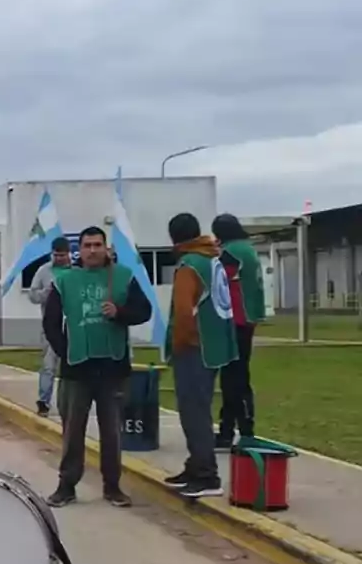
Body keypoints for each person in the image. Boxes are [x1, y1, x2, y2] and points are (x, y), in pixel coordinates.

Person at [43, 226, 152, 508]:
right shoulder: (65, 281)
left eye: (97, 245)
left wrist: (120, 313)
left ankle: (113, 486)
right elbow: (51, 323)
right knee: (72, 431)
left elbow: (145, 311)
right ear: (79, 249)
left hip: (113, 368)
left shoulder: (124, 277)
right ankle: (66, 485)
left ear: (106, 248)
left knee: (112, 431)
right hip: (76, 370)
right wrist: (65, 353)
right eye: (87, 245)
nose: (92, 250)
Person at [163, 213, 238, 498]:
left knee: (194, 412)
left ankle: (207, 475)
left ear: (174, 238)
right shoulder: (211, 259)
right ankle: (195, 466)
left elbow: (183, 313)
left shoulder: (188, 265)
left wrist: (179, 345)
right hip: (214, 345)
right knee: (200, 408)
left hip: (194, 347)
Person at [212, 213, 263, 450]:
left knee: (234, 379)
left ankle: (241, 431)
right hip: (249, 318)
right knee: (237, 377)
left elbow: (214, 273)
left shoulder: (229, 253)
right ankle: (229, 430)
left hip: (235, 319)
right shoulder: (248, 249)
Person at [28, 236, 72, 416]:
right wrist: (46, 293)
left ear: (69, 254)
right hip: (51, 326)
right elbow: (32, 296)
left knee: (71, 366)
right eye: (56, 255)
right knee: (48, 365)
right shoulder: (44, 271)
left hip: (73, 326)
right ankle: (43, 401)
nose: (59, 258)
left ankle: (69, 402)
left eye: (62, 255)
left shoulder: (76, 271)